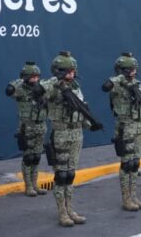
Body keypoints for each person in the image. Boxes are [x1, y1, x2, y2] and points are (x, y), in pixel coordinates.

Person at [35, 51, 102, 226]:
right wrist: (55, 81)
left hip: (77, 133)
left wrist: (90, 124)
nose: (72, 74)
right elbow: (37, 91)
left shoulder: (75, 88)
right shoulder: (53, 87)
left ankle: (70, 209)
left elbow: (81, 108)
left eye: (73, 71)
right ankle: (62, 212)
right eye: (68, 71)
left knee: (71, 174)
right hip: (61, 133)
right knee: (61, 175)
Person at [103, 53, 141, 211]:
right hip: (126, 126)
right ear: (122, 70)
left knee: (135, 164)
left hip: (139, 126)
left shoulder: (136, 83)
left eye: (134, 68)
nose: (133, 71)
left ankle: (134, 196)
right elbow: (106, 86)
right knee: (127, 163)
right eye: (130, 69)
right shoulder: (117, 84)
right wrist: (120, 77)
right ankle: (126, 199)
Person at [6, 61, 48, 197]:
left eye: (37, 77)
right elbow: (10, 91)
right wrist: (21, 80)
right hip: (27, 126)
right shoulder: (20, 90)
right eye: (32, 77)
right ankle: (28, 186)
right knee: (28, 157)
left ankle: (35, 184)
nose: (35, 80)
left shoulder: (41, 89)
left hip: (40, 125)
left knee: (36, 156)